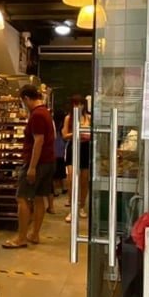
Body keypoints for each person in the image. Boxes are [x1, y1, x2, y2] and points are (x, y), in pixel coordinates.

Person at [2, 84, 55, 248]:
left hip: (37, 162)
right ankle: (34, 234)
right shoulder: (45, 112)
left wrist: (31, 167)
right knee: (39, 197)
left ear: (26, 98)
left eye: (22, 101)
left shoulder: (37, 115)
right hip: (48, 161)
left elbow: (38, 142)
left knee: (22, 198)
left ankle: (21, 238)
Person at [62, 94, 91, 223]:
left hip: (85, 149)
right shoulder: (69, 118)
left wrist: (87, 134)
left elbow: (93, 133)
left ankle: (82, 206)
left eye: (80, 103)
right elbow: (64, 135)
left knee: (84, 179)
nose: (78, 106)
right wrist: (76, 132)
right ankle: (72, 209)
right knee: (71, 179)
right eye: (75, 103)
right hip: (73, 147)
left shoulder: (88, 117)